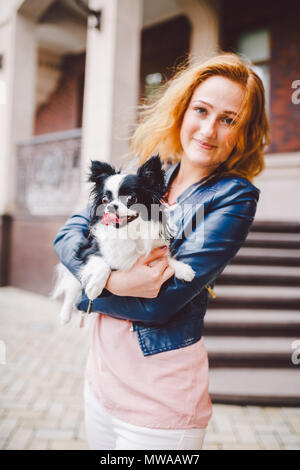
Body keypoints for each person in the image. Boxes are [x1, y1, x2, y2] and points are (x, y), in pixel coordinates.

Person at [53, 53, 269, 450]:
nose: (208, 129)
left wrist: (85, 296)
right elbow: (68, 234)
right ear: (182, 110)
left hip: (161, 405)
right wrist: (118, 281)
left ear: (244, 131)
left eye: (229, 119)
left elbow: (159, 304)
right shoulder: (148, 173)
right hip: (101, 383)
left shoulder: (232, 198)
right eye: (201, 110)